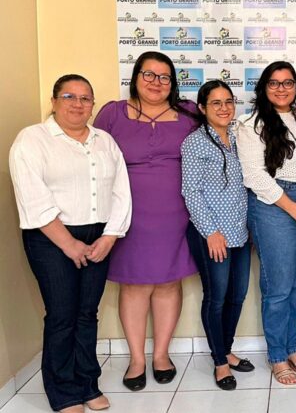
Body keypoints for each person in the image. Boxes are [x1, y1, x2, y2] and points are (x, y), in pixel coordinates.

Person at [10, 74, 132, 412]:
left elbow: (121, 190)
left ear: (92, 105)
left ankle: (88, 384)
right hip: (51, 238)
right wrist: (68, 243)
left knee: (87, 314)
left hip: (99, 237)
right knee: (62, 315)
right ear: (53, 101)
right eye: (69, 96)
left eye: (85, 98)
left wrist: (110, 236)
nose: (78, 104)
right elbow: (33, 197)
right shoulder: (32, 140)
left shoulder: (104, 141)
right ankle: (63, 391)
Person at [93, 51, 200, 391]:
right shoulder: (112, 113)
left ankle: (161, 355)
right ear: (136, 77)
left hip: (177, 212)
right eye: (149, 75)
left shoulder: (189, 113)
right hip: (128, 213)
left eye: (164, 76)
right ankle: (137, 359)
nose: (156, 82)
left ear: (173, 82)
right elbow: (94, 158)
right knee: (135, 283)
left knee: (168, 281)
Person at [236, 61, 296, 385]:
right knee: (278, 289)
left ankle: (292, 347)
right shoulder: (250, 124)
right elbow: (254, 176)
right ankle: (277, 355)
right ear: (264, 87)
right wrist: (291, 207)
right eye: (274, 83)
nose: (281, 89)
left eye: (288, 83)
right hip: (273, 206)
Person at [182, 80, 254, 391]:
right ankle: (220, 361)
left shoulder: (240, 138)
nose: (224, 108)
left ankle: (226, 349)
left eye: (228, 101)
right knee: (216, 298)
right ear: (202, 108)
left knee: (237, 295)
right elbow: (191, 191)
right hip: (211, 234)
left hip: (240, 232)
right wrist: (211, 232)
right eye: (216, 103)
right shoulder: (195, 143)